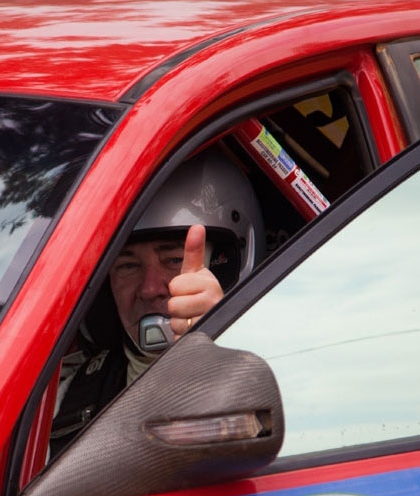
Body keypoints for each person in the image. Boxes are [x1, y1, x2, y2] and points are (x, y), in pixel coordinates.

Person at [51, 146, 264, 452]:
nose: (150, 288)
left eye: (174, 259)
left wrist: (217, 351)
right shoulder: (63, 401)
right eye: (127, 265)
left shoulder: (292, 372)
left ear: (229, 266)